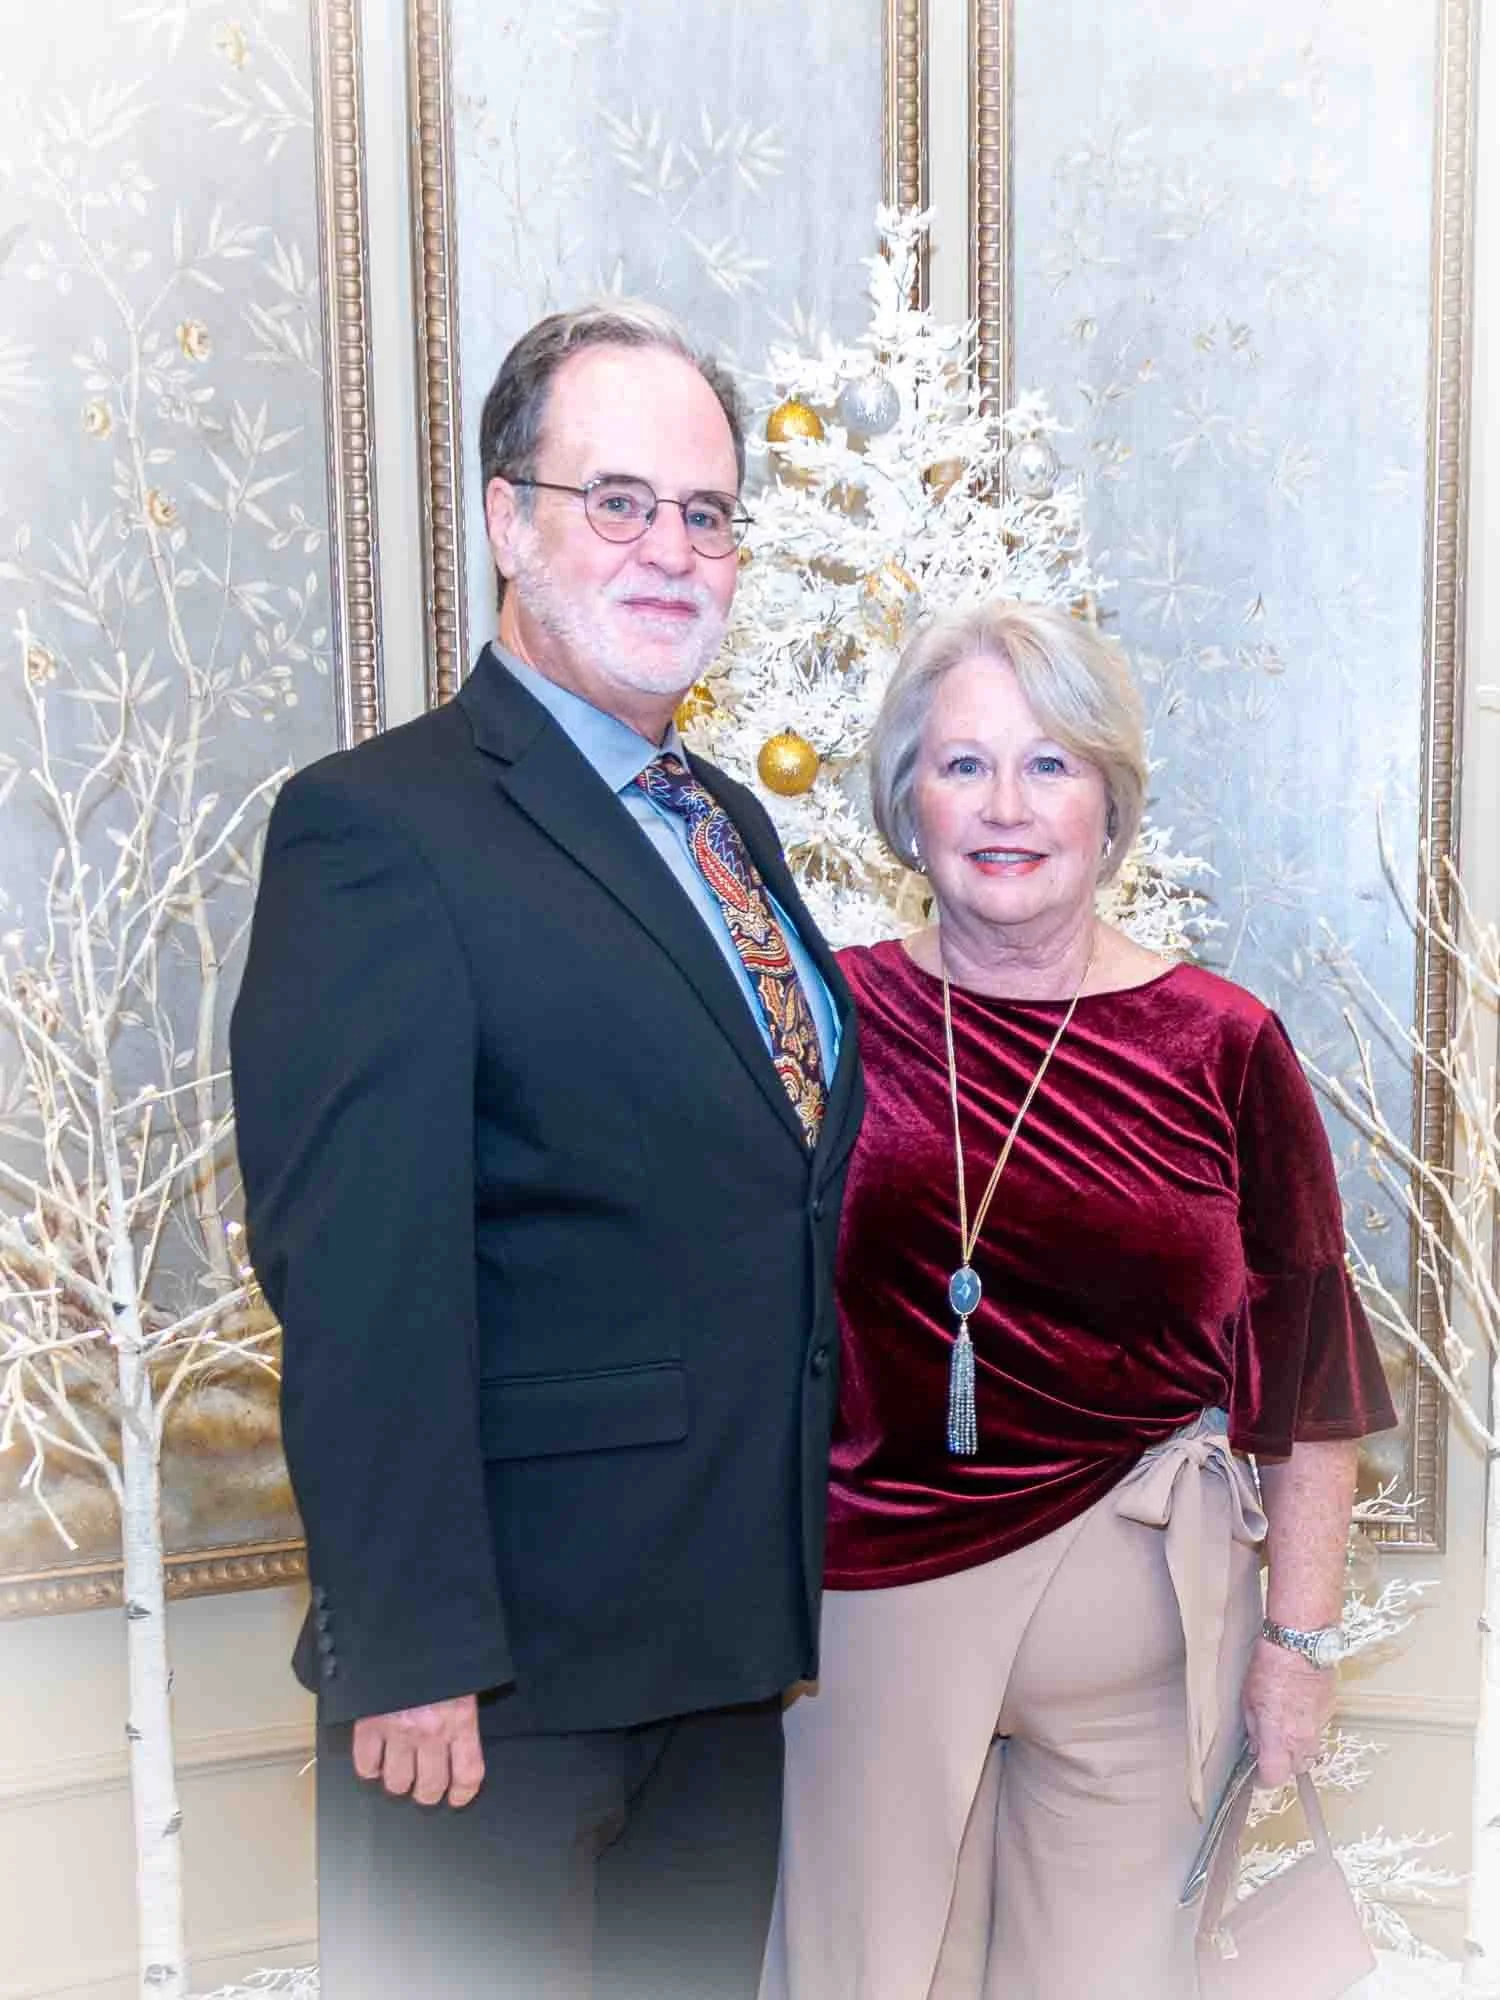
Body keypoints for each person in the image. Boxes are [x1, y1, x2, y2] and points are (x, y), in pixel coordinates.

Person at [230, 301, 863, 2000]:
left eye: (707, 513)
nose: (673, 550)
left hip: (718, 1651)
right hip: (496, 1687)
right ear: (511, 521)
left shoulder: (723, 824)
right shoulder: (380, 827)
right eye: (619, 501)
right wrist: (410, 1648)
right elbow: (360, 1273)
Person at [760, 600, 1395, 2000]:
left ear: (1109, 804)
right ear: (906, 803)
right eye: (963, 763)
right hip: (870, 1619)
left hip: (1148, 1650)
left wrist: (1298, 1646)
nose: (1007, 806)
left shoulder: (1224, 1044)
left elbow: (1309, 1383)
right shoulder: (828, 1024)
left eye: (1050, 763)